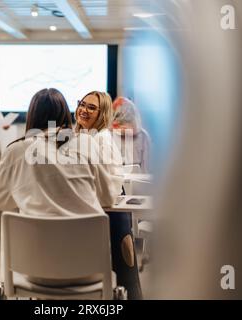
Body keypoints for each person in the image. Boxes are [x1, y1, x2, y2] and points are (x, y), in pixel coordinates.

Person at [0, 88, 122, 286]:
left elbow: (1, 203)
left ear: (31, 116)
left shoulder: (14, 151)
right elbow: (107, 199)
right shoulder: (87, 142)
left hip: (34, 270)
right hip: (90, 267)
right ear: (65, 114)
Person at [74, 91, 143, 299]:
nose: (83, 110)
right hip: (100, 210)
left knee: (123, 274)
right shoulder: (83, 136)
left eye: (91, 107)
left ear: (102, 113)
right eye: (82, 104)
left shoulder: (102, 140)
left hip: (112, 212)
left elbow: (107, 188)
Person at [111, 97, 151, 173]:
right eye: (121, 123)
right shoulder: (108, 136)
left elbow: (146, 169)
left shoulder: (143, 136)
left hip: (138, 181)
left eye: (127, 122)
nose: (124, 128)